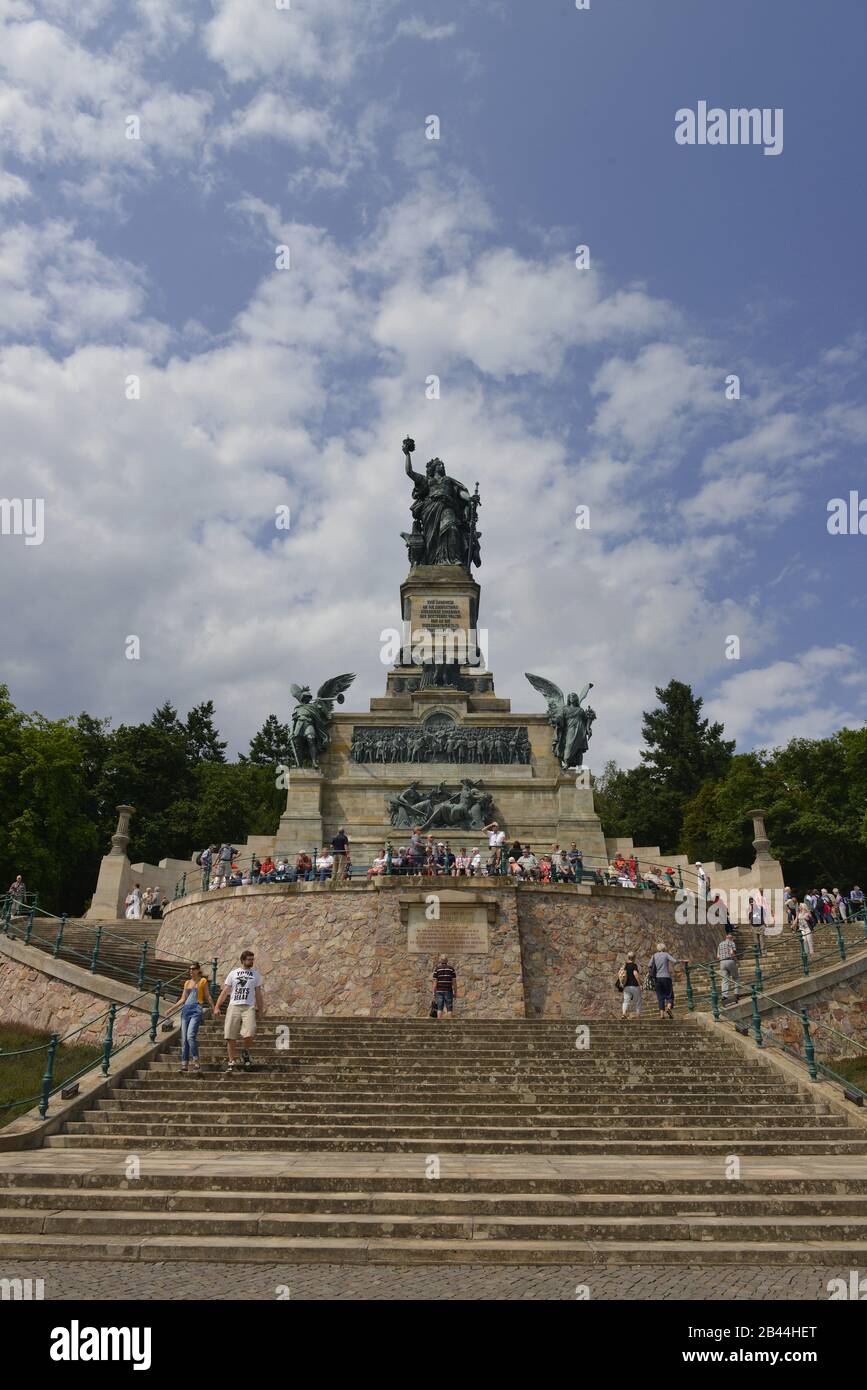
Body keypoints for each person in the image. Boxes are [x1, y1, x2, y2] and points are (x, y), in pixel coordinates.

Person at [213, 950, 265, 1073]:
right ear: (242, 960)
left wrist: (261, 1010)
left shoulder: (255, 975)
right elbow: (225, 991)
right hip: (234, 1006)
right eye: (249, 959)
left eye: (252, 959)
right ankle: (232, 1060)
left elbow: (258, 993)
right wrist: (217, 1006)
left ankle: (245, 1051)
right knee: (230, 1035)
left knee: (250, 1032)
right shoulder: (233, 973)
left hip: (249, 1006)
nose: (251, 961)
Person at [164, 962, 214, 1073]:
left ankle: (196, 1063)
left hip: (196, 1008)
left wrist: (214, 1007)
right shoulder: (187, 983)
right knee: (184, 1039)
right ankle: (184, 1065)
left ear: (198, 970)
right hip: (186, 1010)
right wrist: (171, 1009)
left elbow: (207, 996)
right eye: (190, 969)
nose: (191, 971)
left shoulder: (202, 981)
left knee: (190, 1036)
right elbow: (183, 999)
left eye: (193, 969)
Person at [649, 941, 677, 1020]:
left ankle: (662, 1015)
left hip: (657, 979)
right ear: (664, 948)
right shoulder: (666, 954)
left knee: (660, 997)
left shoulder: (654, 956)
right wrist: (681, 961)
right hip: (666, 978)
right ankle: (668, 1007)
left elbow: (649, 965)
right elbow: (674, 961)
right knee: (669, 995)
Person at [432, 954, 457, 1020]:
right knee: (449, 1008)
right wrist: (455, 992)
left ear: (440, 960)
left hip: (439, 990)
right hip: (448, 990)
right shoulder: (451, 969)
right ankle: (450, 1024)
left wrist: (434, 992)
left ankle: (439, 1025)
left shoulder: (437, 969)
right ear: (447, 960)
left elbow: (435, 983)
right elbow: (454, 982)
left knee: (439, 1008)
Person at [717, 931, 739, 1004]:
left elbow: (718, 956)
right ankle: (736, 993)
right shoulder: (731, 943)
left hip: (722, 962)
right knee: (736, 977)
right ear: (731, 938)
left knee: (725, 979)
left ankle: (724, 996)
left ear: (726, 937)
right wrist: (737, 961)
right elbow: (732, 952)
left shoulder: (720, 944)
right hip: (730, 961)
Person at [619, 952, 642, 1018]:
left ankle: (623, 1014)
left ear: (628, 957)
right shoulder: (634, 965)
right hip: (634, 985)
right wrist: (640, 984)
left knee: (626, 1001)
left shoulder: (625, 965)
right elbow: (635, 974)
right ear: (634, 958)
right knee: (638, 1001)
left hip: (626, 986)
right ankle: (638, 1016)